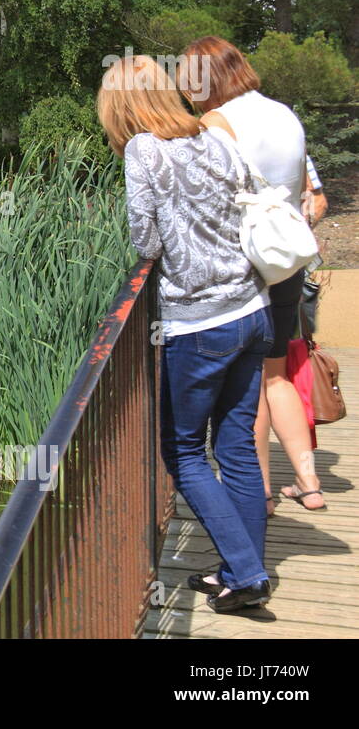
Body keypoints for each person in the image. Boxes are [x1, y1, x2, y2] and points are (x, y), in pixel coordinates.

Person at [98, 54, 273, 613]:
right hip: (251, 309)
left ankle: (245, 574)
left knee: (185, 455)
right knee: (238, 448)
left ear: (120, 104)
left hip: (199, 323)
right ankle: (241, 566)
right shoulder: (215, 134)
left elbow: (145, 242)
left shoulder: (143, 150)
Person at [178, 37, 325, 514]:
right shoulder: (285, 113)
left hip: (243, 263)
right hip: (284, 257)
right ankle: (309, 482)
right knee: (277, 375)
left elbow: (202, 196)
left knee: (248, 383)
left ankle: (256, 489)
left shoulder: (217, 123)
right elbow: (302, 182)